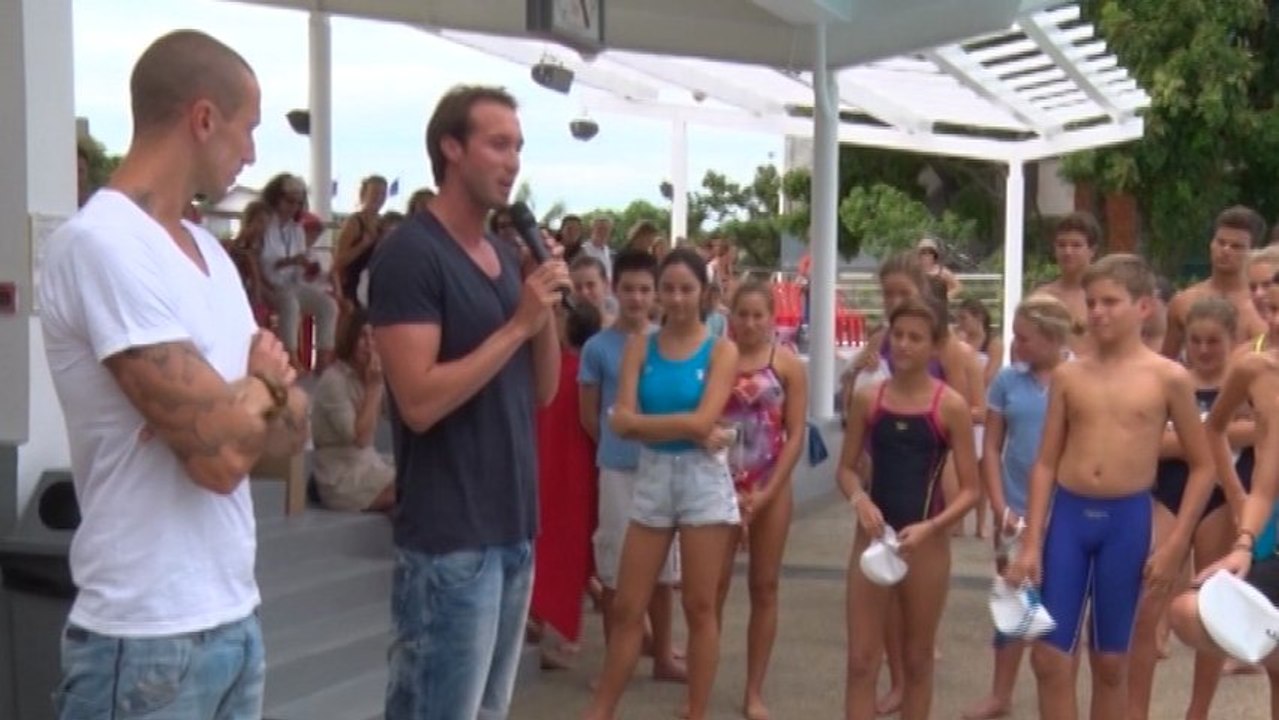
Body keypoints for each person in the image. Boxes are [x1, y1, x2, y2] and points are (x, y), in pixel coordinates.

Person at [38, 30, 309, 720]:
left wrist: (253, 400)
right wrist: (262, 389)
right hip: (144, 641)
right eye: (247, 128)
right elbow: (220, 457)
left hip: (232, 619)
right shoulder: (101, 244)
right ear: (203, 118)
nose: (251, 152)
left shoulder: (210, 258)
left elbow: (283, 445)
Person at [369, 85, 569, 719]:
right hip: (450, 540)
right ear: (451, 148)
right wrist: (515, 324)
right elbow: (419, 400)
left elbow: (543, 390)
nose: (512, 162)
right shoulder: (411, 253)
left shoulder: (505, 258)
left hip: (513, 526)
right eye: (498, 143)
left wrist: (543, 312)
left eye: (518, 147)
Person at [1005, 253, 1215, 720]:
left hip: (1127, 520)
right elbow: (1044, 464)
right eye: (1092, 302)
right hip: (1070, 517)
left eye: (1110, 302)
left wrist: (1176, 544)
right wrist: (1032, 542)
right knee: (1048, 656)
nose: (1097, 312)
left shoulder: (1167, 377)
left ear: (1143, 307)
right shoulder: (1069, 374)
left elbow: (1203, 465)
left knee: (1112, 662)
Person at [583, 249, 740, 720]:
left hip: (702, 484)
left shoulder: (721, 350)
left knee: (698, 604)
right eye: (667, 287)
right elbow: (621, 423)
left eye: (686, 288)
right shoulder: (639, 346)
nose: (676, 297)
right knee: (628, 605)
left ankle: (696, 710)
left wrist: (652, 423)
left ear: (702, 293)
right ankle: (601, 709)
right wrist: (688, 427)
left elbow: (701, 418)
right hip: (651, 477)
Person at [839, 296, 981, 720]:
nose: (903, 345)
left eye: (915, 338)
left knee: (917, 661)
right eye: (897, 335)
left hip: (924, 543)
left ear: (935, 346)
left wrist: (932, 527)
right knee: (862, 660)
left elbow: (971, 490)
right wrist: (859, 499)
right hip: (872, 537)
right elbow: (845, 470)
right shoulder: (870, 398)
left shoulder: (949, 405)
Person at [1127, 297, 1248, 720]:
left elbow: (1263, 432)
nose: (1203, 349)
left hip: (1221, 497)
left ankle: (1197, 711)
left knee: (1212, 610)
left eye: (1213, 341)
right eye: (1195, 340)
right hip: (1169, 493)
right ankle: (1135, 709)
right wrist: (1212, 438)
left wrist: (1199, 438)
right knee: (1148, 605)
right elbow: (1147, 443)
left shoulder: (1244, 382)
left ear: (1233, 341)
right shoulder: (1170, 379)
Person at [1167, 282, 1279, 720]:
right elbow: (1216, 432)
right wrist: (1243, 537)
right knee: (1188, 612)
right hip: (1269, 533)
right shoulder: (1258, 371)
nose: (1275, 321)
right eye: (1272, 309)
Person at [578, 250, 686, 685]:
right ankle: (614, 663)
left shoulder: (669, 340)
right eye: (628, 289)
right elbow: (589, 416)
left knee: (664, 571)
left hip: (663, 467)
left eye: (645, 289)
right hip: (618, 471)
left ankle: (662, 654)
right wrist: (616, 444)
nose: (637, 298)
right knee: (614, 570)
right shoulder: (597, 347)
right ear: (613, 290)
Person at [962, 295, 1073, 720]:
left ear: (1049, 338)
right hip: (1014, 505)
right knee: (1011, 600)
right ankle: (1000, 694)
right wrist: (998, 503)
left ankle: (1059, 693)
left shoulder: (1077, 376)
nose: (1015, 344)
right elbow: (991, 447)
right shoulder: (1007, 380)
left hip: (1066, 509)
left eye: (1024, 337)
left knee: (1061, 602)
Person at [717, 281, 809, 720]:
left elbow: (796, 435)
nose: (750, 324)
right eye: (743, 314)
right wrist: (729, 489)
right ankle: (701, 683)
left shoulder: (786, 365)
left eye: (759, 315)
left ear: (772, 318)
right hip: (717, 486)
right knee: (709, 592)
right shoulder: (718, 359)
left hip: (770, 485)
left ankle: (754, 689)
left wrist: (767, 491)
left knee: (764, 587)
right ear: (731, 315)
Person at [530, 301, 602, 668]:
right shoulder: (576, 372)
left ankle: (543, 628)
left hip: (554, 471)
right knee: (572, 551)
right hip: (574, 473)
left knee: (556, 550)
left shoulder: (559, 371)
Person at [310, 308, 396, 513]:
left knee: (425, 476)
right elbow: (361, 438)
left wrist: (392, 376)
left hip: (371, 464)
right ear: (350, 340)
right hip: (341, 475)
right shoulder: (334, 380)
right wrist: (374, 387)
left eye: (374, 337)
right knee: (413, 489)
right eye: (362, 337)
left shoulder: (369, 373)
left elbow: (397, 416)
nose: (369, 344)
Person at [1162, 205, 1269, 357]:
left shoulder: (1263, 305)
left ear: (1253, 251)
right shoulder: (1184, 302)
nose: (1225, 250)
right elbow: (1166, 363)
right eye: (1221, 242)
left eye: (1236, 246)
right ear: (1211, 244)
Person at [259, 172, 338, 372]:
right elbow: (263, 264)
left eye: (297, 202)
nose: (293, 206)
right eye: (289, 201)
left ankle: (323, 359)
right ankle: (290, 356)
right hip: (267, 285)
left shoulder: (297, 229)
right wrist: (291, 261)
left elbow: (302, 264)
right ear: (276, 199)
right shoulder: (265, 224)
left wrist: (309, 268)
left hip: (291, 285)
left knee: (328, 305)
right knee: (290, 303)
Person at [1035, 212, 1101, 357]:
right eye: (1062, 245)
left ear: (1092, 251)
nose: (1068, 251)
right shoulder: (1042, 298)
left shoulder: (1105, 298)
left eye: (1076, 245)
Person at [332, 174, 388, 313]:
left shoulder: (383, 223)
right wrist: (362, 245)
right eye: (375, 193)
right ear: (364, 194)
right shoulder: (354, 222)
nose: (379, 198)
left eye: (382, 193)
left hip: (375, 286)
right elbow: (338, 262)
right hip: (352, 285)